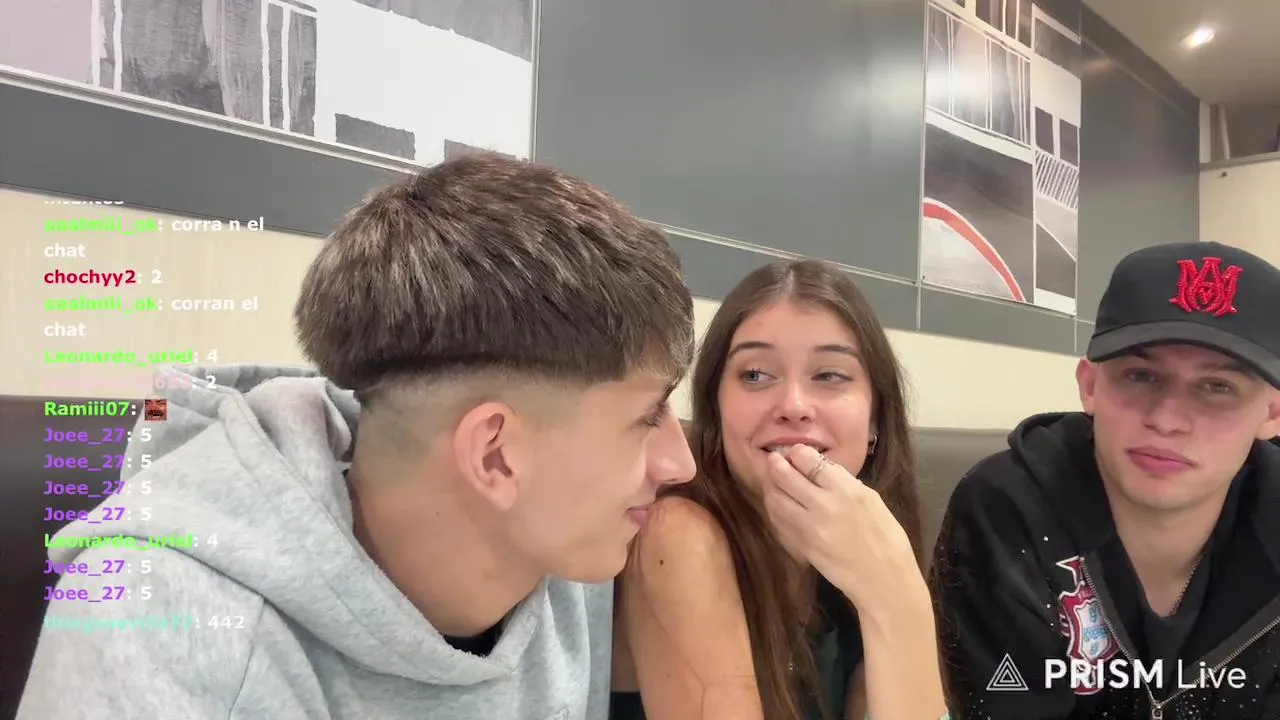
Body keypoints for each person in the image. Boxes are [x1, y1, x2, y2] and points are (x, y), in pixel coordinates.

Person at [18, 153, 698, 719]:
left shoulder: (566, 551)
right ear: (494, 455)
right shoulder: (162, 635)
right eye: (648, 417)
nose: (679, 463)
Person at [930, 241, 1280, 719]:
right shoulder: (1007, 510)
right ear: (1090, 385)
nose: (1167, 420)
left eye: (1217, 387)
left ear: (1272, 413)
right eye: (1141, 376)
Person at [610, 259, 949, 720]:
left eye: (829, 375)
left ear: (875, 421)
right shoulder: (677, 535)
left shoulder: (862, 548)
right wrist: (898, 604)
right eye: (755, 375)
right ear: (716, 411)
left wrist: (890, 593)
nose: (793, 406)